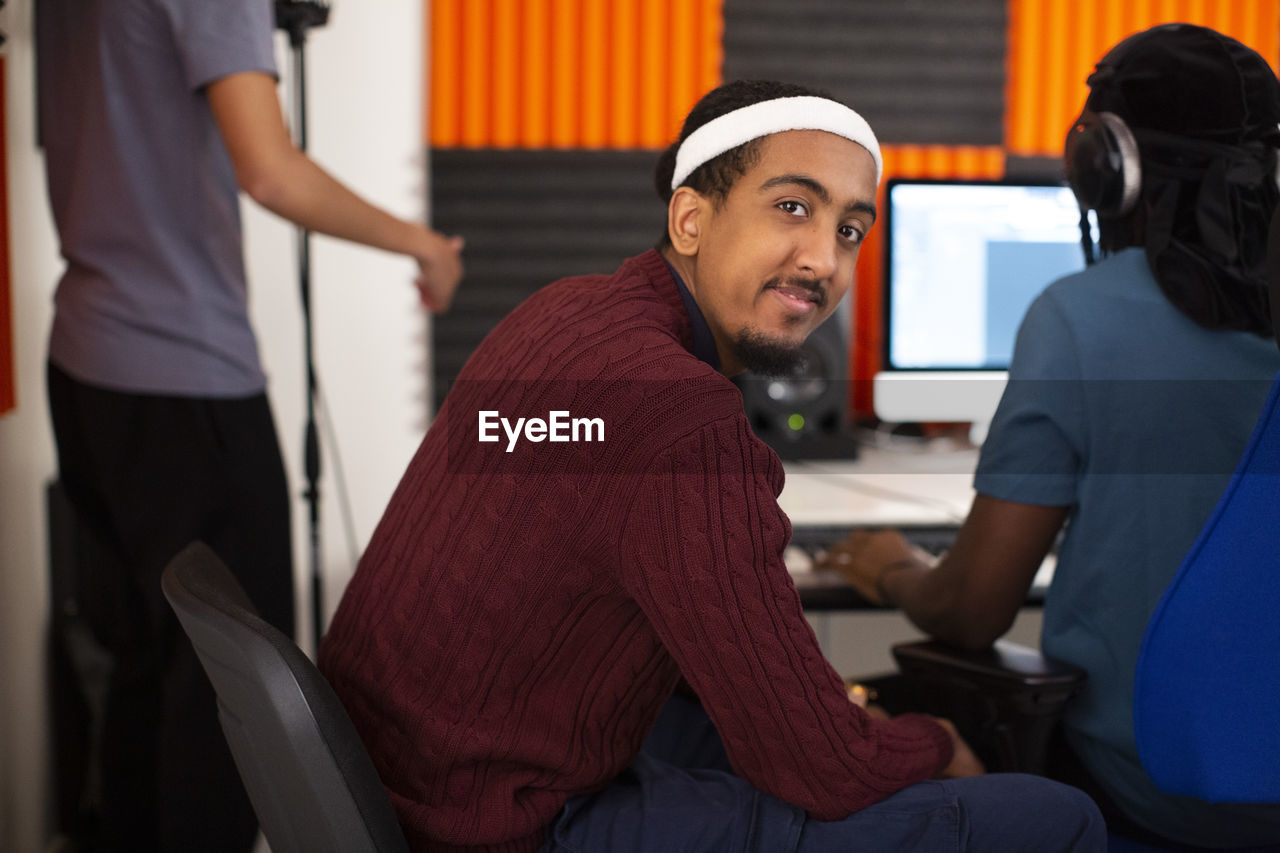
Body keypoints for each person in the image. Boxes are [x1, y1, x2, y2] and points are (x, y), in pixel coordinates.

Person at [318, 78, 1104, 853]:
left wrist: (812, 695)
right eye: (792, 207)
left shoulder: (559, 311)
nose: (823, 261)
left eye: (850, 231)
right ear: (690, 218)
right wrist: (931, 741)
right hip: (510, 824)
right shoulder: (679, 414)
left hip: (407, 787)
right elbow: (823, 769)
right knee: (1053, 816)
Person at [820, 23, 1280, 850]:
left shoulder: (1082, 317)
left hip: (1148, 794)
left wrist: (894, 566)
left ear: (1104, 167)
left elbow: (972, 610)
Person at [37, 2, 463, 851]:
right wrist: (422, 244)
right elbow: (270, 171)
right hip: (182, 377)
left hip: (86, 363)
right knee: (228, 692)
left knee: (146, 667)